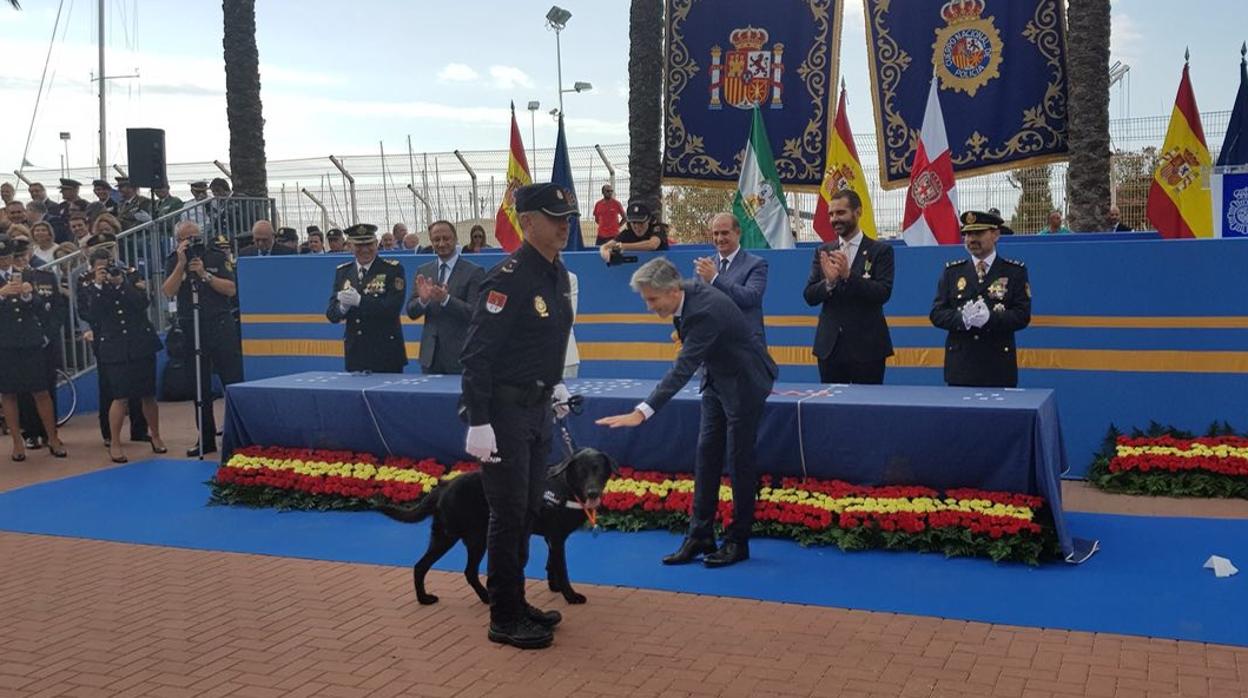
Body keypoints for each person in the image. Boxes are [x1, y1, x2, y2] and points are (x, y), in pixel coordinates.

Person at [596, 257, 777, 568]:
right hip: (716, 380)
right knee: (706, 455)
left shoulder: (703, 309)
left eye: (652, 299)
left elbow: (682, 370)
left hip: (745, 383)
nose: (649, 307)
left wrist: (641, 413)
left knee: (739, 460)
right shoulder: (685, 294)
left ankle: (738, 540)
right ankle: (700, 535)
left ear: (672, 290)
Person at [459, 182, 577, 650]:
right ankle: (503, 615)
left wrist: (555, 382)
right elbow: (477, 355)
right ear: (527, 223)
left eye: (567, 216)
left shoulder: (554, 272)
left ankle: (514, 597)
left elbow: (543, 342)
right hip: (504, 413)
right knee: (508, 514)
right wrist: (478, 420)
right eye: (554, 217)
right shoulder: (508, 278)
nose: (564, 224)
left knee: (528, 509)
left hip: (536, 408)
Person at [161, 220, 243, 456]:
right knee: (199, 386)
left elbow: (230, 289)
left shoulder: (216, 256)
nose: (192, 242)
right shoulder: (173, 260)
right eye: (186, 239)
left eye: (195, 237)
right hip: (191, 327)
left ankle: (237, 435)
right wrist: (181, 265)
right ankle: (205, 438)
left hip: (219, 323)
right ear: (178, 241)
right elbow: (168, 291)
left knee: (232, 379)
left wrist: (204, 274)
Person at [80, 244, 167, 462]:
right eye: (101, 268)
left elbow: (142, 302)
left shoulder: (129, 275)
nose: (107, 271)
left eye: (108, 267)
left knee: (148, 393)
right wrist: (99, 286)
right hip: (114, 345)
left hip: (140, 341)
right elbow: (92, 314)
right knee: (119, 396)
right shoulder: (87, 284)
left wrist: (121, 284)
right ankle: (115, 442)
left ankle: (155, 435)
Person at [929, 210, 1032, 388]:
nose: (971, 239)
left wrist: (990, 318)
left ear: (996, 234)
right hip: (961, 366)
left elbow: (1022, 315)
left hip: (998, 366)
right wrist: (963, 319)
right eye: (967, 234)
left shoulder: (1014, 271)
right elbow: (937, 313)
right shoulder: (953, 272)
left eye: (978, 233)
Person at [803, 189, 895, 384]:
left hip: (868, 348)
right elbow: (810, 295)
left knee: (867, 411)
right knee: (831, 410)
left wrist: (848, 276)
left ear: (858, 212)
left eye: (841, 213)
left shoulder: (880, 251)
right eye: (831, 214)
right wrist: (829, 282)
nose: (835, 219)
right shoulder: (823, 251)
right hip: (830, 348)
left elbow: (883, 293)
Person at [0, 235, 67, 461]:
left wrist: (28, 294)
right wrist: (2, 293)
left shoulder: (29, 275)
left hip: (30, 341)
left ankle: (53, 437)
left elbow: (43, 307)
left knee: (41, 390)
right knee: (8, 394)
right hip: (5, 343)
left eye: (8, 256)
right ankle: (18, 443)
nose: (5, 261)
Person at [326, 224, 408, 373]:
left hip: (385, 352)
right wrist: (343, 307)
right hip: (355, 353)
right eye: (359, 245)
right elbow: (331, 314)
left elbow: (393, 308)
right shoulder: (343, 272)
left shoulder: (392, 270)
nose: (365, 249)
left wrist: (360, 301)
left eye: (369, 244)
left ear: (377, 244)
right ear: (350, 246)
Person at [405, 220, 484, 374]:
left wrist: (446, 300)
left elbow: (475, 313)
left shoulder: (474, 272)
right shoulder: (424, 270)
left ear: (455, 239)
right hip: (430, 357)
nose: (441, 244)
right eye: (436, 240)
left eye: (446, 239)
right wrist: (423, 300)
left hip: (460, 356)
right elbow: (411, 311)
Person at [693, 212, 768, 346]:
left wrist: (715, 279)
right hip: (713, 347)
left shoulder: (756, 264)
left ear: (738, 233)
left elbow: (750, 297)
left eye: (725, 233)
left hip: (745, 347)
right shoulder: (705, 266)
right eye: (715, 234)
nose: (720, 238)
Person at [598, 202, 668, 263]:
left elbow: (652, 245)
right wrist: (604, 250)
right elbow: (607, 245)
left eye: (641, 222)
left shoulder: (658, 228)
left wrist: (623, 246)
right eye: (634, 222)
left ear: (648, 220)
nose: (637, 226)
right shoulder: (627, 233)